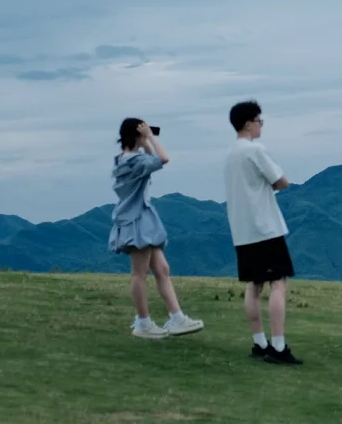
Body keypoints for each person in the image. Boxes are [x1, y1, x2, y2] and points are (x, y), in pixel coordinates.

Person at [223, 100, 302, 365]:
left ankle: (260, 342)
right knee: (278, 283)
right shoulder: (255, 150)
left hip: (242, 229)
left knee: (253, 285)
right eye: (259, 121)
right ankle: (278, 346)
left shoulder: (231, 154)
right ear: (249, 123)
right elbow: (281, 181)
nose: (261, 126)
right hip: (264, 228)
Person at [109, 117, 202, 339]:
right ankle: (143, 322)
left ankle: (177, 317)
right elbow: (162, 159)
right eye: (143, 132)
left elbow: (152, 159)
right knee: (139, 273)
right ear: (137, 135)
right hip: (138, 220)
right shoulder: (135, 162)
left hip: (139, 218)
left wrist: (146, 138)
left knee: (162, 269)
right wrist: (149, 137)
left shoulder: (124, 159)